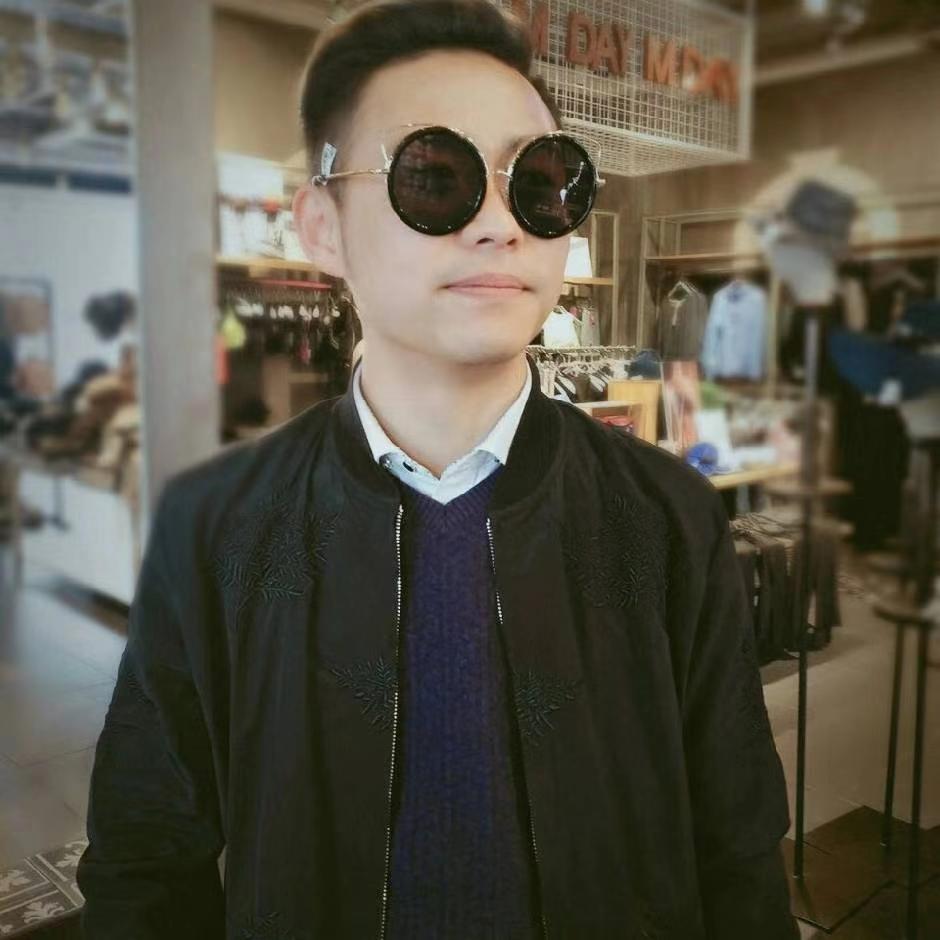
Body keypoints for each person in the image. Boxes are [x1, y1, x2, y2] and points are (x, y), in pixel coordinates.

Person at [77, 1, 798, 937]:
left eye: (541, 183)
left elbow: (739, 850)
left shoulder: (668, 516)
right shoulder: (214, 524)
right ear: (323, 227)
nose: (500, 225)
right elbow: (144, 862)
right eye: (435, 176)